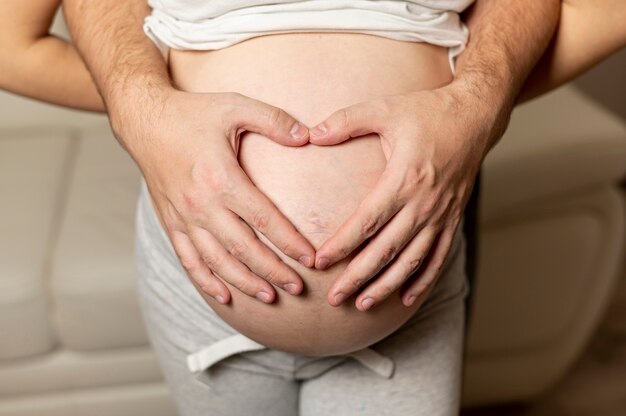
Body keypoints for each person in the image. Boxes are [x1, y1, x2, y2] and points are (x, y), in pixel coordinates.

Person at [0, 1, 624, 415]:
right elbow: (10, 39)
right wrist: (146, 112)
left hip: (409, 286)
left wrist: (477, 103)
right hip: (202, 287)